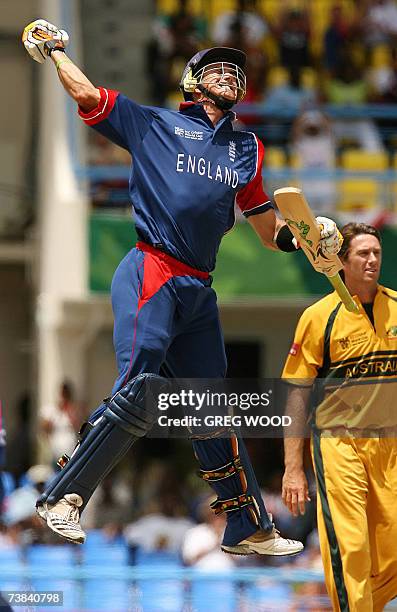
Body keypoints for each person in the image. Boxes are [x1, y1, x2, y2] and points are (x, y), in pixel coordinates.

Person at [22, 19, 341, 554]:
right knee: (140, 387)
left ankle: (245, 527)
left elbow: (268, 230)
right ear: (193, 80)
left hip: (197, 288)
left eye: (236, 70)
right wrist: (54, 51)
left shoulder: (247, 149)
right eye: (217, 67)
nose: (229, 74)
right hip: (153, 269)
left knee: (211, 407)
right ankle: (62, 497)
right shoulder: (155, 124)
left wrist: (312, 239)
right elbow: (85, 93)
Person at [281, 222, 397, 611]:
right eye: (363, 253)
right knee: (353, 547)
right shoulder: (319, 316)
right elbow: (296, 394)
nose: (372, 260)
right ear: (341, 261)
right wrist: (293, 468)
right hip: (339, 445)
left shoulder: (395, 307)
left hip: (390, 446)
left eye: (377, 253)